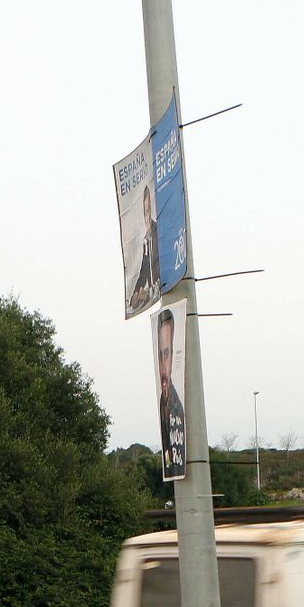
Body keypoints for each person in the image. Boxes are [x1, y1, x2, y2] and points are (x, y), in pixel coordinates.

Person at [156, 308, 185, 480]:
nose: (162, 367)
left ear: (173, 356)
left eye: (166, 354)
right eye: (160, 356)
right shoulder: (162, 401)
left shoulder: (177, 407)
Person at [126, 184, 160, 317]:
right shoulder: (145, 238)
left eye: (149, 211)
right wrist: (136, 290)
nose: (147, 217)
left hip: (161, 284)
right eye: (145, 212)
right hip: (151, 291)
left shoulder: (158, 232)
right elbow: (144, 269)